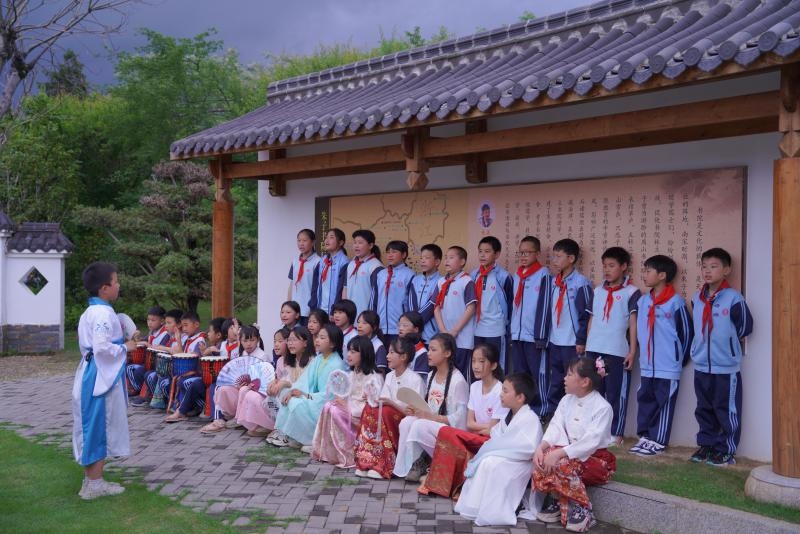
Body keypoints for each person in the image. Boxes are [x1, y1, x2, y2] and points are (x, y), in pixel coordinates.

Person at [72, 261, 138, 499]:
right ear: (104, 288)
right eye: (115, 281)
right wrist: (126, 347)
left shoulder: (93, 311)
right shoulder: (101, 313)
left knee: (93, 424)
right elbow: (101, 347)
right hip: (99, 375)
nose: (118, 285)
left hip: (92, 370)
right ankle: (94, 484)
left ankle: (92, 480)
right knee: (98, 425)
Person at [533, 357, 616, 532]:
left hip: (595, 461)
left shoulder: (603, 407)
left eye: (570, 374)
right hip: (571, 455)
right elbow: (556, 426)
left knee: (561, 462)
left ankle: (583, 508)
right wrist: (541, 447)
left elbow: (590, 441)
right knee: (542, 458)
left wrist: (558, 453)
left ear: (585, 382)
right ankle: (559, 499)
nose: (564, 378)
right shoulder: (566, 400)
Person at [689, 247, 753, 466]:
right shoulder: (697, 298)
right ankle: (706, 445)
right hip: (701, 365)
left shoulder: (734, 298)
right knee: (703, 408)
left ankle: (726, 449)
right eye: (704, 266)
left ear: (726, 270)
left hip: (725, 367)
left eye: (714, 266)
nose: (707, 271)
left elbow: (745, 327)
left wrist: (728, 345)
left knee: (726, 409)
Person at [418, 343, 507, 498]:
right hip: (474, 436)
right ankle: (446, 483)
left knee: (448, 433)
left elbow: (492, 430)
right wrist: (482, 427)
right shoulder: (475, 386)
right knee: (446, 433)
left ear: (493, 365)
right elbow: (469, 423)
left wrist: (481, 428)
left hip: (490, 440)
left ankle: (448, 483)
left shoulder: (500, 390)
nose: (476, 366)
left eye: (481, 361)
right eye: (474, 361)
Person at [454, 373, 543, 526]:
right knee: (486, 462)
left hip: (521, 462)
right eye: (502, 390)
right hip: (508, 458)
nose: (501, 394)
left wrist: (499, 451)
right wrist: (498, 451)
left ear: (520, 397)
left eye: (505, 391)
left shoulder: (530, 418)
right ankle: (476, 507)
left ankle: (496, 511)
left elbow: (528, 448)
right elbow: (497, 437)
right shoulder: (508, 416)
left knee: (491, 463)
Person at [630, 255, 692, 457]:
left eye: (648, 271)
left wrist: (679, 359)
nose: (644, 275)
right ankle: (645, 436)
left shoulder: (675, 302)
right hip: (647, 364)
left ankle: (658, 440)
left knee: (664, 402)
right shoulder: (643, 301)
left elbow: (686, 333)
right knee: (645, 399)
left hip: (668, 365)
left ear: (662, 275)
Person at [393, 333, 469, 482]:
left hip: (450, 431)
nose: (428, 353)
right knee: (406, 422)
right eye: (429, 349)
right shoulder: (431, 375)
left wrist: (432, 417)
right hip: (432, 424)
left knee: (419, 425)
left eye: (433, 350)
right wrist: (415, 411)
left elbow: (461, 418)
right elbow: (428, 407)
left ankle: (431, 462)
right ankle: (407, 466)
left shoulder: (458, 381)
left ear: (447, 353)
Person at [585, 247, 641, 445]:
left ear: (624, 266)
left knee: (616, 393)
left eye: (612, 265)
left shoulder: (632, 292)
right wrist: (588, 345)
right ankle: (595, 431)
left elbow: (633, 324)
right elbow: (591, 320)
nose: (607, 270)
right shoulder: (597, 291)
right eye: (604, 266)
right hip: (594, 349)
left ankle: (616, 433)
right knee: (594, 392)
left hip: (617, 351)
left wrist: (632, 351)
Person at [534, 238, 592, 421]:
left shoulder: (581, 283)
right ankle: (553, 414)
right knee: (556, 379)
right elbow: (545, 311)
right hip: (554, 340)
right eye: (554, 256)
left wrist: (581, 339)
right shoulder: (553, 282)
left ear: (571, 258)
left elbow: (586, 314)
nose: (555, 260)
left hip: (572, 342)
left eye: (559, 256)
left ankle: (574, 416)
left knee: (574, 379)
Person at [354, 336, 425, 479]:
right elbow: (383, 400)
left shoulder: (415, 380)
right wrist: (371, 397)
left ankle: (385, 464)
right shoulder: (390, 376)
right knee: (369, 409)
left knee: (385, 412)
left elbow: (415, 412)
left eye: (392, 352)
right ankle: (367, 460)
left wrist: (391, 403)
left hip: (405, 420)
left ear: (403, 357)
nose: (387, 356)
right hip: (388, 416)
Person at [272, 324, 349, 448]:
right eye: (317, 337)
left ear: (332, 343)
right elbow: (305, 380)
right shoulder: (319, 359)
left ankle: (310, 439)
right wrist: (292, 391)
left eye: (322, 338)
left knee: (297, 404)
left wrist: (304, 395)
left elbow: (330, 396)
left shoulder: (337, 365)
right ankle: (290, 435)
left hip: (325, 402)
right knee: (285, 393)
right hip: (313, 397)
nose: (317, 340)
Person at [310, 335, 383, 465]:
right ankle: (327, 451)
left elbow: (373, 407)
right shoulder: (352, 374)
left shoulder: (374, 377)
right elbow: (345, 395)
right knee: (328, 406)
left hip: (362, 416)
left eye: (353, 352)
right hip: (351, 409)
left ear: (364, 354)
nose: (348, 355)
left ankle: (348, 453)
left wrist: (346, 405)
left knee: (334, 410)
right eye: (348, 351)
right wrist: (340, 400)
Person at [509, 236, 549, 417]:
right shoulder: (517, 275)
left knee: (537, 374)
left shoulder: (543, 274)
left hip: (533, 336)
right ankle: (522, 409)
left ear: (537, 253)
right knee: (520, 374)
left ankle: (541, 411)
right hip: (517, 334)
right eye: (521, 253)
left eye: (528, 252)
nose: (524, 256)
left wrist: (541, 334)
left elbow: (544, 306)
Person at [262, 326, 315, 443]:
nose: (290, 343)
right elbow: (286, 378)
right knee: (277, 392)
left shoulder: (312, 361)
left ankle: (286, 433)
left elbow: (304, 385)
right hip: (295, 393)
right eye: (289, 340)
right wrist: (275, 383)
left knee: (284, 392)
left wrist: (284, 384)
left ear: (305, 343)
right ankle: (282, 430)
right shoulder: (293, 361)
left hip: (308, 396)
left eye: (294, 340)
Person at [432, 246, 477, 381]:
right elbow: (436, 307)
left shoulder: (466, 281)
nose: (447, 261)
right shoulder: (441, 282)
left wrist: (455, 331)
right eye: (446, 257)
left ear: (462, 262)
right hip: (445, 338)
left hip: (462, 339)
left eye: (451, 258)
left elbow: (471, 308)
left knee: (461, 375)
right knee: (446, 373)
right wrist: (443, 331)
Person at [223, 325, 277, 437]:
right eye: (245, 341)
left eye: (252, 340)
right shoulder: (243, 354)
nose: (248, 344)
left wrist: (252, 384)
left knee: (244, 390)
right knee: (241, 389)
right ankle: (240, 418)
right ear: (240, 341)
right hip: (248, 386)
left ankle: (248, 420)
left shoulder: (262, 356)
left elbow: (266, 378)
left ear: (258, 340)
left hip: (261, 389)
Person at [471, 236, 513, 371]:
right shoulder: (474, 275)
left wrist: (508, 328)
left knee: (497, 365)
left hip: (496, 329)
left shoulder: (503, 276)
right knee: (478, 365)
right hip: (477, 329)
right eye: (480, 251)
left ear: (497, 254)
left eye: (487, 251)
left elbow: (510, 304)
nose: (482, 255)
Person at [164, 310, 207, 420]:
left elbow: (195, 358)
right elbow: (181, 354)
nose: (184, 329)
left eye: (186, 325)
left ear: (196, 324)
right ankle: (186, 407)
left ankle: (201, 406)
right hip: (189, 373)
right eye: (182, 326)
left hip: (197, 374)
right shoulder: (189, 339)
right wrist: (178, 340)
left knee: (185, 382)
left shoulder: (200, 340)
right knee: (178, 379)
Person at [372, 239, 414, 346]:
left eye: (394, 252)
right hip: (380, 327)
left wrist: (408, 324)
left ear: (404, 255)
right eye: (388, 252)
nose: (390, 255)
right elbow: (374, 299)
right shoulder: (381, 274)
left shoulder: (409, 275)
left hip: (399, 328)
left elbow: (411, 304)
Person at [140, 308, 183, 409]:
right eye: (166, 323)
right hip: (166, 368)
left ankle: (167, 400)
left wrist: (164, 347)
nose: (166, 326)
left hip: (176, 370)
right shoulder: (168, 335)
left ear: (178, 324)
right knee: (148, 374)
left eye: (169, 323)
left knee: (152, 375)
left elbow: (178, 353)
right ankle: (160, 399)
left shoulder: (178, 337)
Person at [127, 306, 170, 405]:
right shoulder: (152, 332)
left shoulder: (165, 334)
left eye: (153, 320)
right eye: (148, 320)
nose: (149, 323)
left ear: (162, 321)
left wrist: (147, 344)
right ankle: (138, 390)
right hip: (150, 364)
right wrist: (136, 338)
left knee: (134, 369)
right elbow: (142, 341)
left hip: (159, 367)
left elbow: (159, 349)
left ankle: (145, 394)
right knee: (130, 367)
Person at [407, 243, 442, 343]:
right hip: (414, 332)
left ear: (437, 261)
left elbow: (431, 306)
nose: (422, 261)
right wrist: (413, 323)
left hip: (431, 334)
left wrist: (415, 323)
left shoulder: (441, 281)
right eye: (421, 258)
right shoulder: (415, 280)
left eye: (427, 258)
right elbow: (411, 304)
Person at [343, 229, 383, 316]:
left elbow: (377, 295)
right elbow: (345, 287)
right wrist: (344, 310)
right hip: (349, 315)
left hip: (366, 316)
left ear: (370, 245)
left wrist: (371, 316)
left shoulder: (376, 266)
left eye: (360, 243)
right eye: (355, 242)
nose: (356, 246)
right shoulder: (351, 264)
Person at [310, 228, 349, 314]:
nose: (327, 240)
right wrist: (314, 306)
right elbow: (315, 285)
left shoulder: (344, 262)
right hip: (320, 309)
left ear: (341, 242)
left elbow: (341, 289)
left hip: (334, 311)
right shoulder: (322, 260)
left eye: (331, 237)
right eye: (326, 237)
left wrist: (336, 310)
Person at [288, 228, 321, 323]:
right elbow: (292, 284)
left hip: (309, 310)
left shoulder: (318, 262)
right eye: (299, 240)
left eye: (304, 240)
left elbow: (318, 287)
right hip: (294, 310)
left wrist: (314, 309)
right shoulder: (295, 261)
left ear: (313, 242)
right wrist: (288, 304)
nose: (301, 244)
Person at [398, 311, 429, 377]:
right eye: (399, 325)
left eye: (405, 325)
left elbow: (419, 379)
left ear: (416, 329)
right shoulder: (398, 347)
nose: (400, 328)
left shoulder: (421, 352)